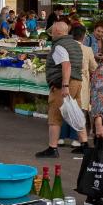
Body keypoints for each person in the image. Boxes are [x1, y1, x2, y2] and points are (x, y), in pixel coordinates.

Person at [38, 21, 86, 158]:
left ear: (57, 32)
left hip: (63, 83)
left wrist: (64, 85)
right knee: (77, 113)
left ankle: (52, 148)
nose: (51, 33)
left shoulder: (59, 46)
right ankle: (84, 145)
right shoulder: (75, 45)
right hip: (77, 81)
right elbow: (79, 64)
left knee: (55, 115)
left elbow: (66, 65)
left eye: (52, 31)